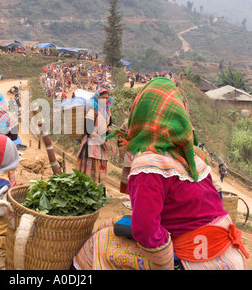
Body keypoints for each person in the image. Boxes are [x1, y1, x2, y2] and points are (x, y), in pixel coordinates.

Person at [73, 77, 249, 270]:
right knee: (113, 222)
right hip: (228, 254)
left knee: (100, 242)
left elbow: (146, 230)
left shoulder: (149, 165)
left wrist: (165, 262)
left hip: (200, 261)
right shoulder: (193, 154)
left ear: (141, 116)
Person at [76, 87, 114, 185]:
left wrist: (107, 135)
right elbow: (89, 130)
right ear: (98, 98)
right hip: (92, 146)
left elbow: (109, 127)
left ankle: (99, 191)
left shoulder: (107, 112)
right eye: (103, 97)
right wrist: (101, 139)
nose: (105, 100)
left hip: (101, 146)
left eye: (107, 98)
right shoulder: (92, 111)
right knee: (91, 167)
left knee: (100, 168)